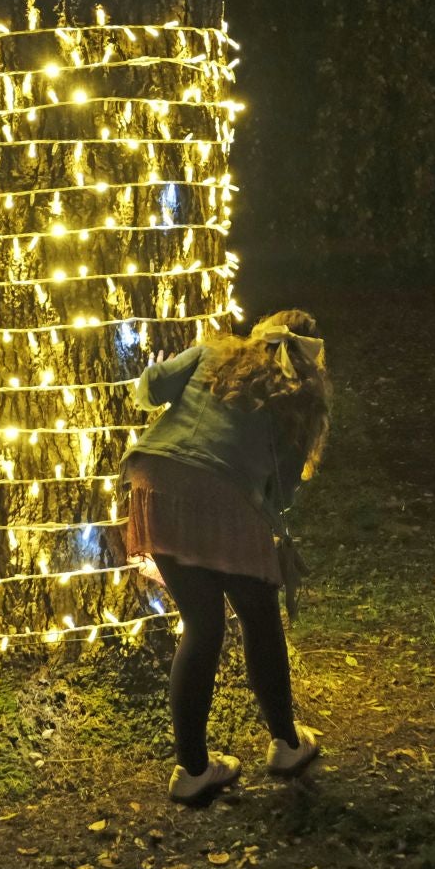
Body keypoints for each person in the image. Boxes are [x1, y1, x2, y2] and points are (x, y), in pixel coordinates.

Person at [123, 311, 332, 804]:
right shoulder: (300, 395)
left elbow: (149, 391)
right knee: (260, 619)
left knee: (202, 626)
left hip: (157, 479)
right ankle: (285, 743)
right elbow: (282, 490)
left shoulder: (215, 351)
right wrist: (275, 531)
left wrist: (161, 367)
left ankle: (192, 768)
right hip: (224, 495)